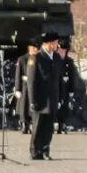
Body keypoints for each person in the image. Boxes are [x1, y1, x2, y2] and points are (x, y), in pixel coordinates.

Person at [27, 31, 60, 160]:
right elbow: (31, 81)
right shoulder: (36, 58)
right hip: (40, 99)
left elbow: (58, 80)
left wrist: (59, 97)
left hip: (52, 99)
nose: (57, 45)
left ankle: (45, 150)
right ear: (50, 43)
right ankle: (35, 151)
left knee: (49, 127)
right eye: (55, 42)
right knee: (38, 126)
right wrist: (33, 100)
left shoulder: (56, 58)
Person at [14, 39, 38, 134]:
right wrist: (17, 89)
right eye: (34, 48)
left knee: (33, 107)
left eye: (36, 48)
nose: (35, 49)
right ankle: (24, 124)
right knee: (24, 106)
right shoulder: (22, 59)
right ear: (29, 48)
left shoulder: (38, 59)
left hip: (35, 86)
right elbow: (18, 75)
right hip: (25, 86)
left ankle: (32, 124)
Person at [55, 37, 79, 134]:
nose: (62, 52)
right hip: (55, 87)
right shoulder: (53, 59)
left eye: (64, 50)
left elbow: (72, 76)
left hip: (65, 88)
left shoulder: (69, 61)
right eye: (60, 50)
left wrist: (72, 90)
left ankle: (61, 125)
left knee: (64, 107)